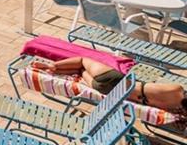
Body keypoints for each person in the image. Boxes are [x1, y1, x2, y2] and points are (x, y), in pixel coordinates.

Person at [28, 55, 185, 113]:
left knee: (83, 61)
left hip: (115, 79)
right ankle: (56, 69)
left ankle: (52, 67)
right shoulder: (174, 109)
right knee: (81, 71)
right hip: (109, 91)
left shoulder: (177, 88)